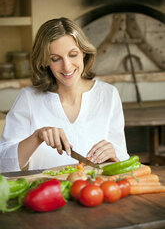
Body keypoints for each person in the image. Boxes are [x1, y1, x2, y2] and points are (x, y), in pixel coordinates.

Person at [0, 17, 129, 172]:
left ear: (84, 53)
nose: (67, 66)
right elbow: (3, 164)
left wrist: (114, 155)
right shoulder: (28, 98)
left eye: (73, 54)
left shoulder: (108, 94)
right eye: (55, 59)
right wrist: (37, 137)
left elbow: (122, 158)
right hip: (46, 192)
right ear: (45, 61)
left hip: (94, 192)